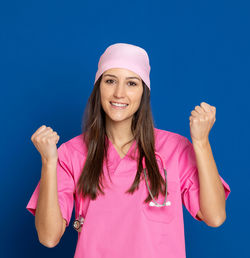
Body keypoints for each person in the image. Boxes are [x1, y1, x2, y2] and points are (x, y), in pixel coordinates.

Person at [26, 43, 231, 258]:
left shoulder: (174, 149)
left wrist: (201, 142)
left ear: (144, 92)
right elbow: (48, 237)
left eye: (132, 83)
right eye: (110, 81)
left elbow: (215, 216)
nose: (119, 93)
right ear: (98, 87)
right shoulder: (71, 154)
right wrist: (49, 163)